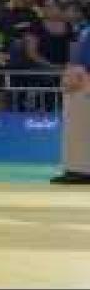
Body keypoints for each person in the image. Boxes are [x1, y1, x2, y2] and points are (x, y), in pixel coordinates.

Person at [52, 27, 90, 184]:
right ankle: (77, 169)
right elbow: (78, 59)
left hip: (83, 82)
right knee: (76, 126)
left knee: (78, 126)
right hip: (81, 83)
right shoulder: (86, 32)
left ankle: (79, 171)